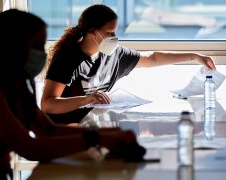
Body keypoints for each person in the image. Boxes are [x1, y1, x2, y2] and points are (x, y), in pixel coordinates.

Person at [0, 9, 145, 180]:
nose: (41, 53)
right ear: (12, 47)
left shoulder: (21, 85)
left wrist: (114, 133)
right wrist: (100, 139)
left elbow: (47, 130)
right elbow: (31, 148)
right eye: (36, 46)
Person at [40, 4, 216, 124]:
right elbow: (48, 104)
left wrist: (194, 56)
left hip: (89, 126)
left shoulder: (114, 54)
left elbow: (153, 58)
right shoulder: (68, 58)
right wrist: (86, 99)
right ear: (92, 32)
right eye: (108, 32)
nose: (113, 37)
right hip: (61, 131)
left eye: (115, 31)